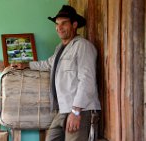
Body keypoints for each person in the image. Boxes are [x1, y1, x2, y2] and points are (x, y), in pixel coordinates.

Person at [12, 5, 101, 141]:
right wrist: (26, 65)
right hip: (63, 110)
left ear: (74, 25)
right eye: (57, 24)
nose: (59, 28)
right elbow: (48, 64)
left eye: (64, 23)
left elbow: (87, 80)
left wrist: (76, 112)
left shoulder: (82, 46)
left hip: (81, 110)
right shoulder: (60, 48)